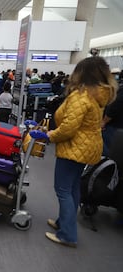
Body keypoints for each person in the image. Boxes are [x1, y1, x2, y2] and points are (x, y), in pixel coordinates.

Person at [45, 56, 117, 248]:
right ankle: (64, 222)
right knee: (73, 188)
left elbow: (69, 127)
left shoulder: (81, 96)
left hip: (73, 148)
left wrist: (51, 135)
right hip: (87, 148)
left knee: (62, 189)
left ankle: (67, 234)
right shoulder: (98, 96)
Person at [102, 68, 123, 156]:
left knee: (109, 151)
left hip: (114, 126)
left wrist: (104, 121)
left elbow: (114, 106)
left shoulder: (120, 89)